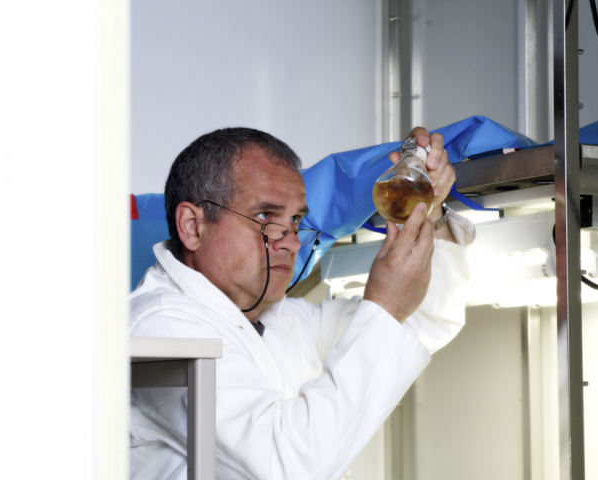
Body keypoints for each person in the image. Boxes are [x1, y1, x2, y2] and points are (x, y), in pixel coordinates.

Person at [130, 127, 475, 479]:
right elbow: (285, 467)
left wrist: (429, 210)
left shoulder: (280, 319)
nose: (293, 242)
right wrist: (385, 306)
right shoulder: (159, 328)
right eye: (265, 216)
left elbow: (419, 321)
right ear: (192, 226)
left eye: (295, 220)